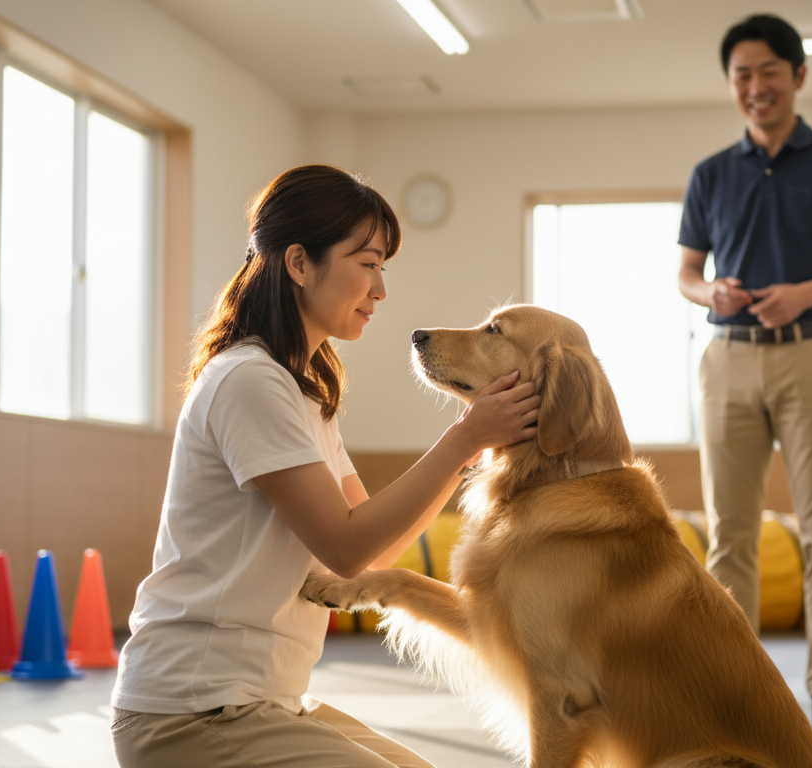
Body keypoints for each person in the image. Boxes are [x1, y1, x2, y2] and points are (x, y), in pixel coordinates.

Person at [110, 165, 540, 768]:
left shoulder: (302, 390)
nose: (380, 289)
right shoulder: (250, 380)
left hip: (262, 699)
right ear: (298, 263)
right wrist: (465, 439)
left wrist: (467, 442)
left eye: (382, 267)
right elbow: (343, 547)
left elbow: (369, 555)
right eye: (367, 264)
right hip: (191, 711)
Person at [676, 14, 812, 732]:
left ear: (798, 76)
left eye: (769, 71)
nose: (756, 87)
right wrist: (715, 293)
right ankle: (736, 682)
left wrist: (806, 291)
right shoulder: (710, 174)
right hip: (726, 360)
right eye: (742, 75)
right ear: (731, 85)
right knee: (728, 535)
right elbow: (685, 275)